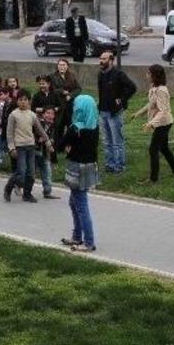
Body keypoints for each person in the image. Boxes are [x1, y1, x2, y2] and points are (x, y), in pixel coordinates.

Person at [60, 94, 101, 252]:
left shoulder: (75, 127)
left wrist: (66, 145)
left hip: (77, 167)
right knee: (74, 201)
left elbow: (62, 144)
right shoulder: (94, 125)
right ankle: (77, 236)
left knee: (81, 204)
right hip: (90, 165)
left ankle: (89, 242)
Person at [131, 64, 174, 183]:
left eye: (149, 73)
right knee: (164, 148)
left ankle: (153, 179)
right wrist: (138, 113)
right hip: (162, 123)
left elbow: (163, 111)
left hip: (163, 124)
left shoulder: (161, 90)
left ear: (154, 75)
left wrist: (151, 124)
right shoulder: (154, 88)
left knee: (153, 149)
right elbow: (151, 104)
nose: (147, 75)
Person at [5, 90, 51, 203]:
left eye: (25, 100)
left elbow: (40, 130)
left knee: (31, 172)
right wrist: (11, 148)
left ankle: (27, 194)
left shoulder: (32, 115)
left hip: (30, 146)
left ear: (29, 101)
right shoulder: (13, 115)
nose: (23, 102)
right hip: (19, 147)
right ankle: (9, 187)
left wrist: (48, 142)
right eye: (21, 100)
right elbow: (9, 133)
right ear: (17, 101)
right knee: (21, 171)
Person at [98, 51, 137, 173]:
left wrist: (122, 100)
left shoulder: (118, 74)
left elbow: (132, 87)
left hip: (115, 113)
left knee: (117, 142)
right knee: (107, 141)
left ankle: (119, 166)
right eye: (100, 58)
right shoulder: (101, 74)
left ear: (111, 60)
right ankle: (110, 165)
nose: (101, 61)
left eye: (104, 59)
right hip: (103, 111)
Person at [50, 59, 82, 139]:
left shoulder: (71, 76)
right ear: (57, 66)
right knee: (58, 125)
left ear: (67, 66)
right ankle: (57, 145)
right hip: (58, 104)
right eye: (60, 65)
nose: (62, 67)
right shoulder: (52, 76)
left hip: (69, 104)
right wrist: (61, 91)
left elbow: (78, 89)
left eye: (64, 65)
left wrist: (70, 95)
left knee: (70, 125)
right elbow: (51, 89)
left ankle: (69, 144)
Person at [36, 108, 59, 199]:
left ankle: (47, 191)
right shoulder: (38, 124)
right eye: (47, 113)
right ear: (43, 114)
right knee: (29, 173)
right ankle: (20, 186)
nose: (50, 115)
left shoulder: (54, 126)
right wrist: (38, 139)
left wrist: (50, 141)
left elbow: (53, 139)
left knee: (47, 173)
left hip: (45, 153)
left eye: (52, 114)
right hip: (35, 152)